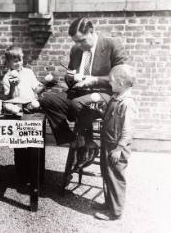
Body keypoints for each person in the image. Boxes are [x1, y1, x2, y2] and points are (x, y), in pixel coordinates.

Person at [39, 17, 128, 156]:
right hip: (79, 93)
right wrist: (69, 77)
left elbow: (122, 77)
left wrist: (93, 80)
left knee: (77, 104)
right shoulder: (76, 50)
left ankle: (86, 141)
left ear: (92, 31)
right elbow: (70, 80)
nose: (79, 45)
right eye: (75, 41)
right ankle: (71, 139)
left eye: (82, 40)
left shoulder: (112, 44)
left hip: (103, 94)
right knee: (47, 101)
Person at [94, 64, 137, 221]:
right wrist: (100, 111)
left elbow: (128, 131)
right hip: (108, 143)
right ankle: (109, 203)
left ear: (120, 83)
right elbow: (110, 118)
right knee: (107, 174)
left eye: (111, 81)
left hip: (117, 148)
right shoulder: (115, 98)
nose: (109, 84)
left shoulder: (127, 103)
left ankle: (115, 212)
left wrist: (119, 149)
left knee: (115, 177)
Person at [2, 45, 45, 184]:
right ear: (8, 63)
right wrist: (13, 85)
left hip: (32, 108)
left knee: (35, 143)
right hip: (17, 110)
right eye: (15, 61)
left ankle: (37, 175)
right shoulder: (7, 77)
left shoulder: (29, 72)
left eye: (20, 60)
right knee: (20, 144)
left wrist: (47, 84)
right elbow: (11, 97)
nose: (18, 63)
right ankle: (22, 176)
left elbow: (36, 89)